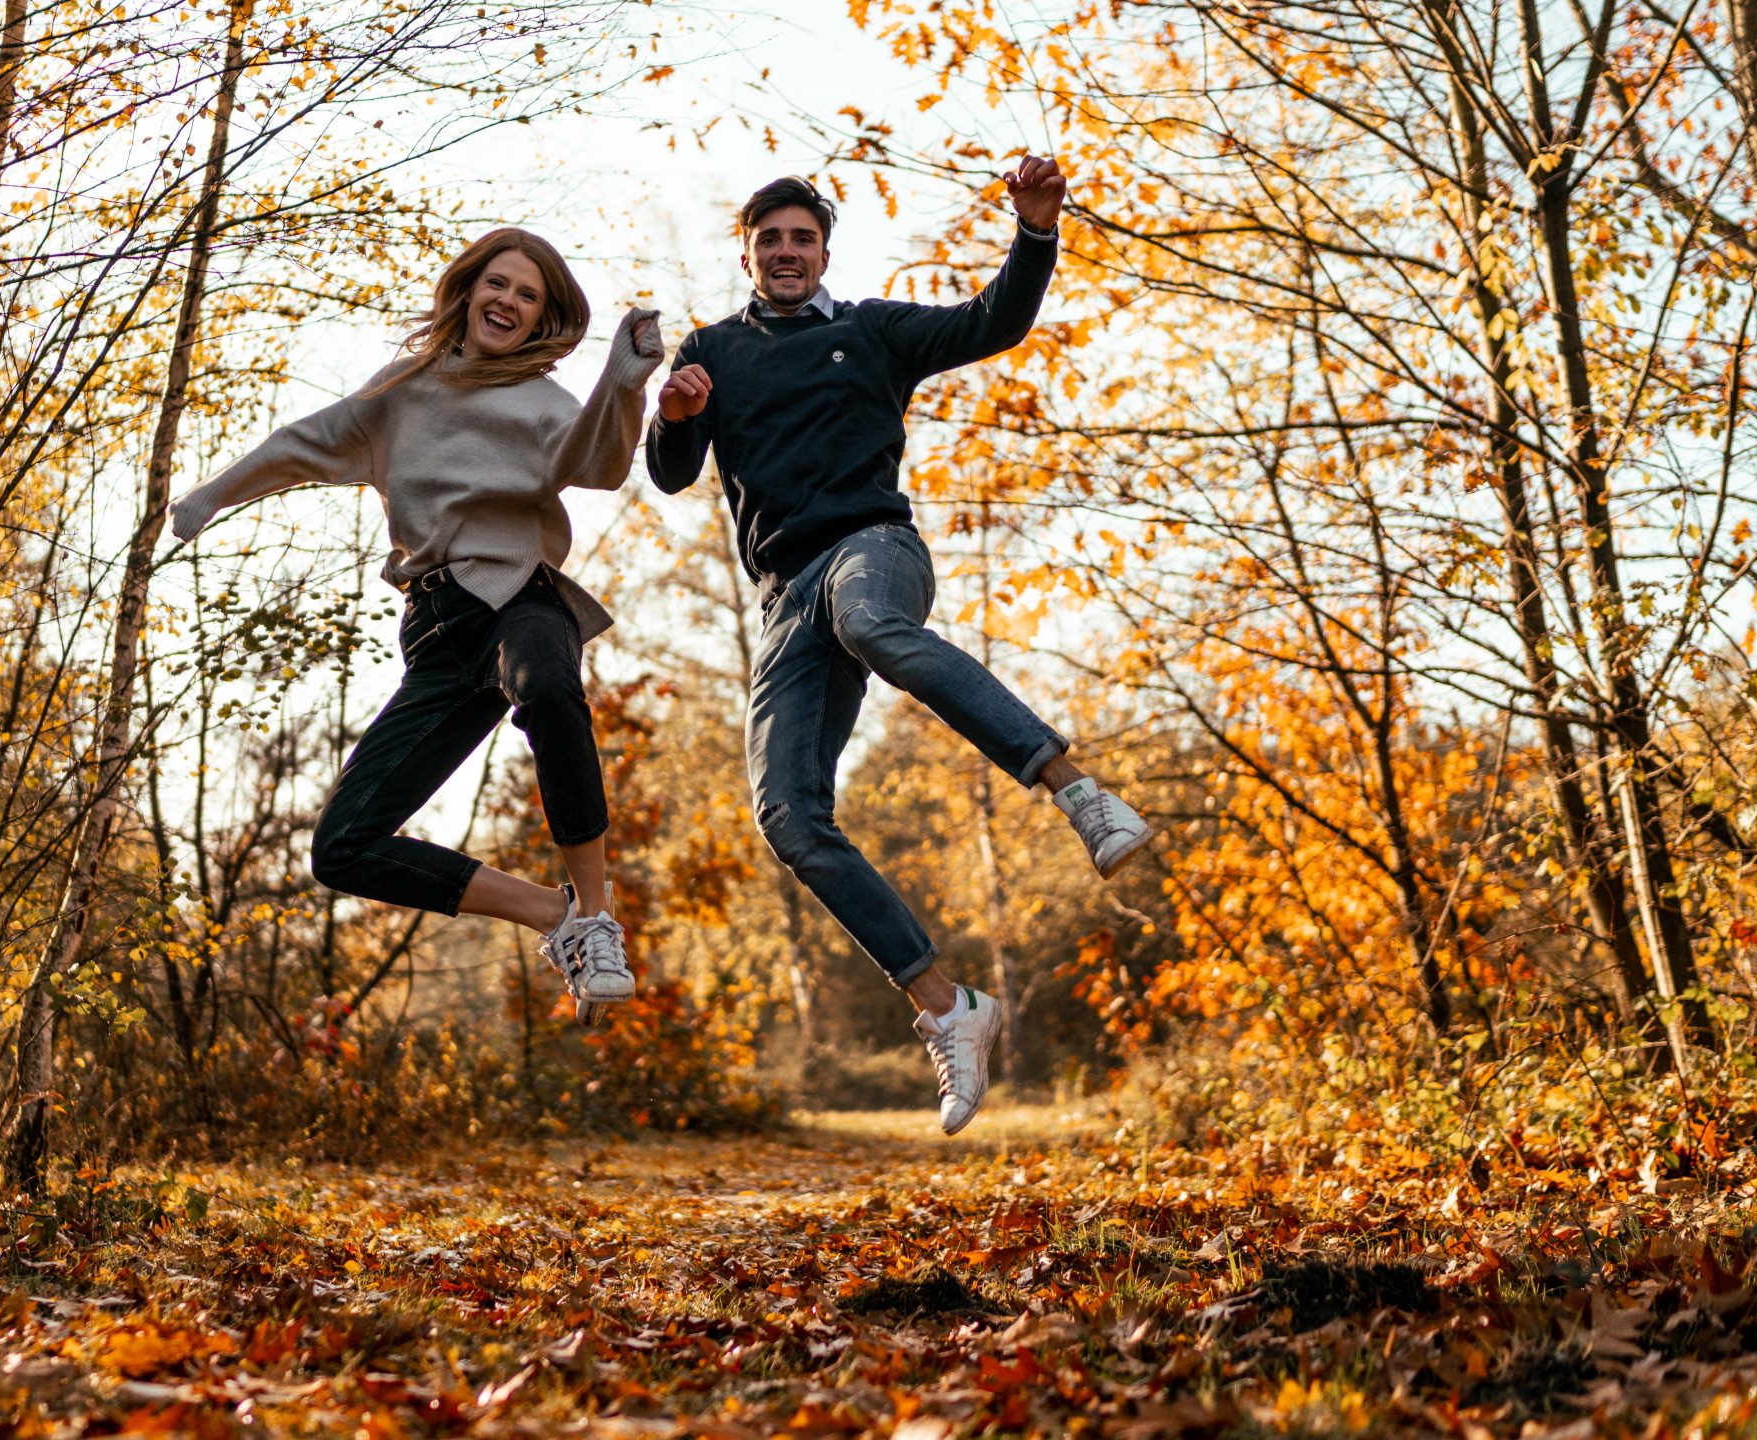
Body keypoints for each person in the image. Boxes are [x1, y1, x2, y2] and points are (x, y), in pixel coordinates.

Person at [647, 163, 1152, 1133]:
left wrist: (1036, 231)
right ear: (745, 250)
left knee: (871, 621)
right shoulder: (710, 349)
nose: (786, 251)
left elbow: (992, 321)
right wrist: (672, 416)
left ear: (823, 253)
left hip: (873, 549)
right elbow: (671, 472)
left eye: (802, 238)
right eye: (770, 239)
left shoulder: (869, 331)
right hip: (784, 598)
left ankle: (1079, 793)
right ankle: (950, 1010)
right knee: (787, 816)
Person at [171, 227, 662, 1020]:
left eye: (527, 295)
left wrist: (626, 384)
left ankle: (599, 918)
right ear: (469, 291)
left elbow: (596, 465)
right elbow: (300, 444)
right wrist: (210, 495)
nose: (507, 301)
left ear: (541, 319)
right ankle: (554, 913)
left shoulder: (544, 401)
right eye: (497, 285)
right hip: (439, 632)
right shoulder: (400, 391)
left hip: (521, 598)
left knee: (548, 685)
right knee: (343, 849)